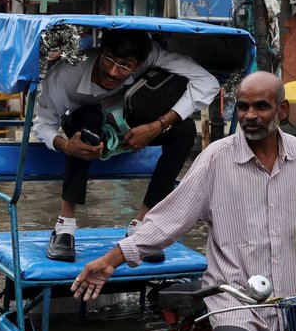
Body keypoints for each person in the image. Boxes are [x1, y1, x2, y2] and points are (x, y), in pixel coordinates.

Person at [71, 71, 296, 331]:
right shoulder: (216, 158)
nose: (250, 116)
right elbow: (168, 221)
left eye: (261, 106)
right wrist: (110, 261)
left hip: (287, 298)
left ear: (282, 110)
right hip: (232, 295)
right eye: (243, 107)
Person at [33, 27, 219, 263]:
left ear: (139, 63)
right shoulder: (65, 75)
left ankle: (143, 224)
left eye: (125, 65)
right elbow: (42, 124)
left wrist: (157, 126)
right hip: (87, 129)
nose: (112, 71)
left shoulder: (151, 55)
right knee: (87, 123)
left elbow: (208, 82)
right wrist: (66, 146)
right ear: (101, 51)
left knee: (185, 130)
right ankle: (64, 227)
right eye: (109, 59)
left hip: (131, 124)